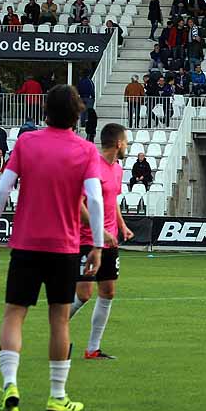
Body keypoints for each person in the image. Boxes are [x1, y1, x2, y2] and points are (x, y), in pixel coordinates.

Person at [0, 85, 106, 411]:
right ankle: (56, 394)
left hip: (25, 244)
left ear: (44, 111)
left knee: (13, 314)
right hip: (64, 248)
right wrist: (96, 243)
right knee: (59, 320)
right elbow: (94, 199)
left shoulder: (26, 142)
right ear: (77, 114)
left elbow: (3, 189)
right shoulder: (86, 150)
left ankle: (10, 383)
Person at [69, 123, 132, 360]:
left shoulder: (117, 169)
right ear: (118, 143)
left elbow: (112, 200)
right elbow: (78, 205)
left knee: (108, 291)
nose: (127, 145)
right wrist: (99, 230)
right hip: (87, 240)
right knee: (84, 294)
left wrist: (122, 226)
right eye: (125, 141)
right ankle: (58, 326)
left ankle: (93, 349)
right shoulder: (91, 166)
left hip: (110, 241)